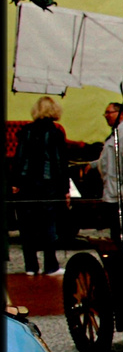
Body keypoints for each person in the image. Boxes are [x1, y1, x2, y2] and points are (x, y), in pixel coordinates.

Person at [13, 96, 68, 276]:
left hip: (28, 184)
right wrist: (65, 189)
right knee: (49, 226)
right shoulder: (56, 132)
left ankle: (31, 266)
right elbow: (60, 163)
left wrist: (16, 182)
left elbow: (20, 159)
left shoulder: (26, 131)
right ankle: (50, 266)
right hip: (49, 184)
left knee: (27, 226)